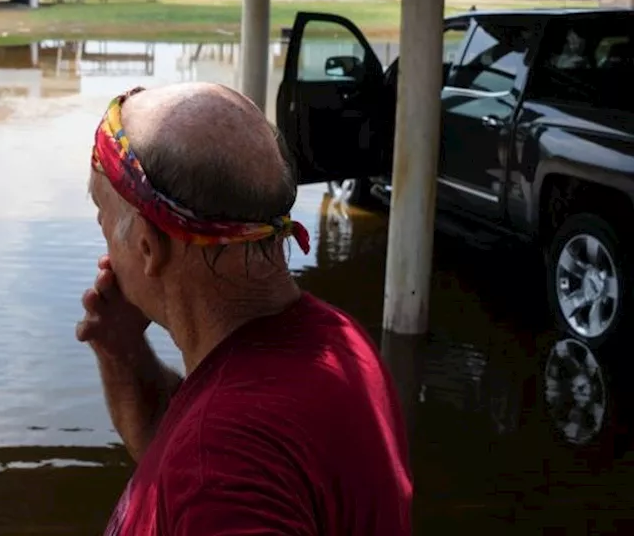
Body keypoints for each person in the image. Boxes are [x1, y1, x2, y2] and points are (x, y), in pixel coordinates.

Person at [79, 83, 412, 535]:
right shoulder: (338, 340)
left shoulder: (217, 468)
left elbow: (209, 464)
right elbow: (177, 441)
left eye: (103, 219)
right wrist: (122, 353)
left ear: (146, 247)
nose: (105, 257)